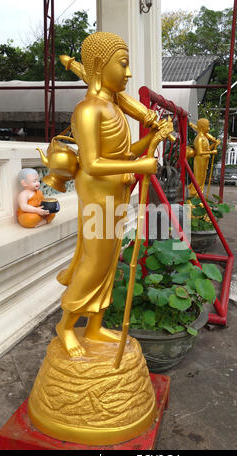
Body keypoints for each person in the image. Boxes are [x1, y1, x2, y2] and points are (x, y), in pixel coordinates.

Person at [55, 32, 164, 358]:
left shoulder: (112, 107)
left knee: (110, 264)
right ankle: (66, 325)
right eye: (124, 64)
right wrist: (143, 164)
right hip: (98, 194)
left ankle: (93, 326)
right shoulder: (88, 110)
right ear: (101, 65)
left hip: (115, 193)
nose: (129, 74)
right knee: (94, 262)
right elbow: (92, 163)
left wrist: (151, 140)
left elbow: (124, 155)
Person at [188, 119, 220, 197]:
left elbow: (207, 149)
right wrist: (212, 152)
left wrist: (214, 145)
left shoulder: (204, 137)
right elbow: (200, 152)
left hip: (204, 160)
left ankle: (199, 197)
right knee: (198, 180)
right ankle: (192, 197)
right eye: (207, 126)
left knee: (202, 179)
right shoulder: (199, 138)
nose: (209, 128)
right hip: (200, 160)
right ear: (202, 127)